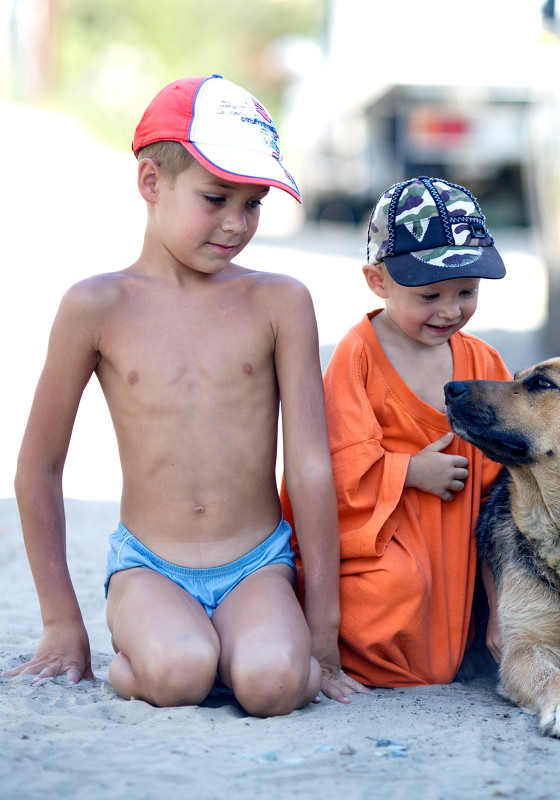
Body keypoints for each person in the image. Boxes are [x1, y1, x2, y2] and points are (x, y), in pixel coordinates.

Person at [4, 75, 359, 716]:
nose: (236, 223)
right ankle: (159, 652)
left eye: (253, 204)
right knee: (179, 674)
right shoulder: (97, 306)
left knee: (276, 683)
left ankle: (249, 646)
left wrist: (323, 632)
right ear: (150, 182)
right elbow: (39, 464)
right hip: (150, 566)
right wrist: (62, 620)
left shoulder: (280, 302)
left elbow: (307, 465)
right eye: (216, 197)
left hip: (257, 564)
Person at [282, 176, 510, 689]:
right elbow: (333, 462)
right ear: (377, 281)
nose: (450, 310)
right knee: (393, 588)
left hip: (457, 542)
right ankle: (358, 659)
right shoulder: (359, 354)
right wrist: (408, 470)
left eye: (466, 292)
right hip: (382, 540)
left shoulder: (482, 361)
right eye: (430, 294)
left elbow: (507, 476)